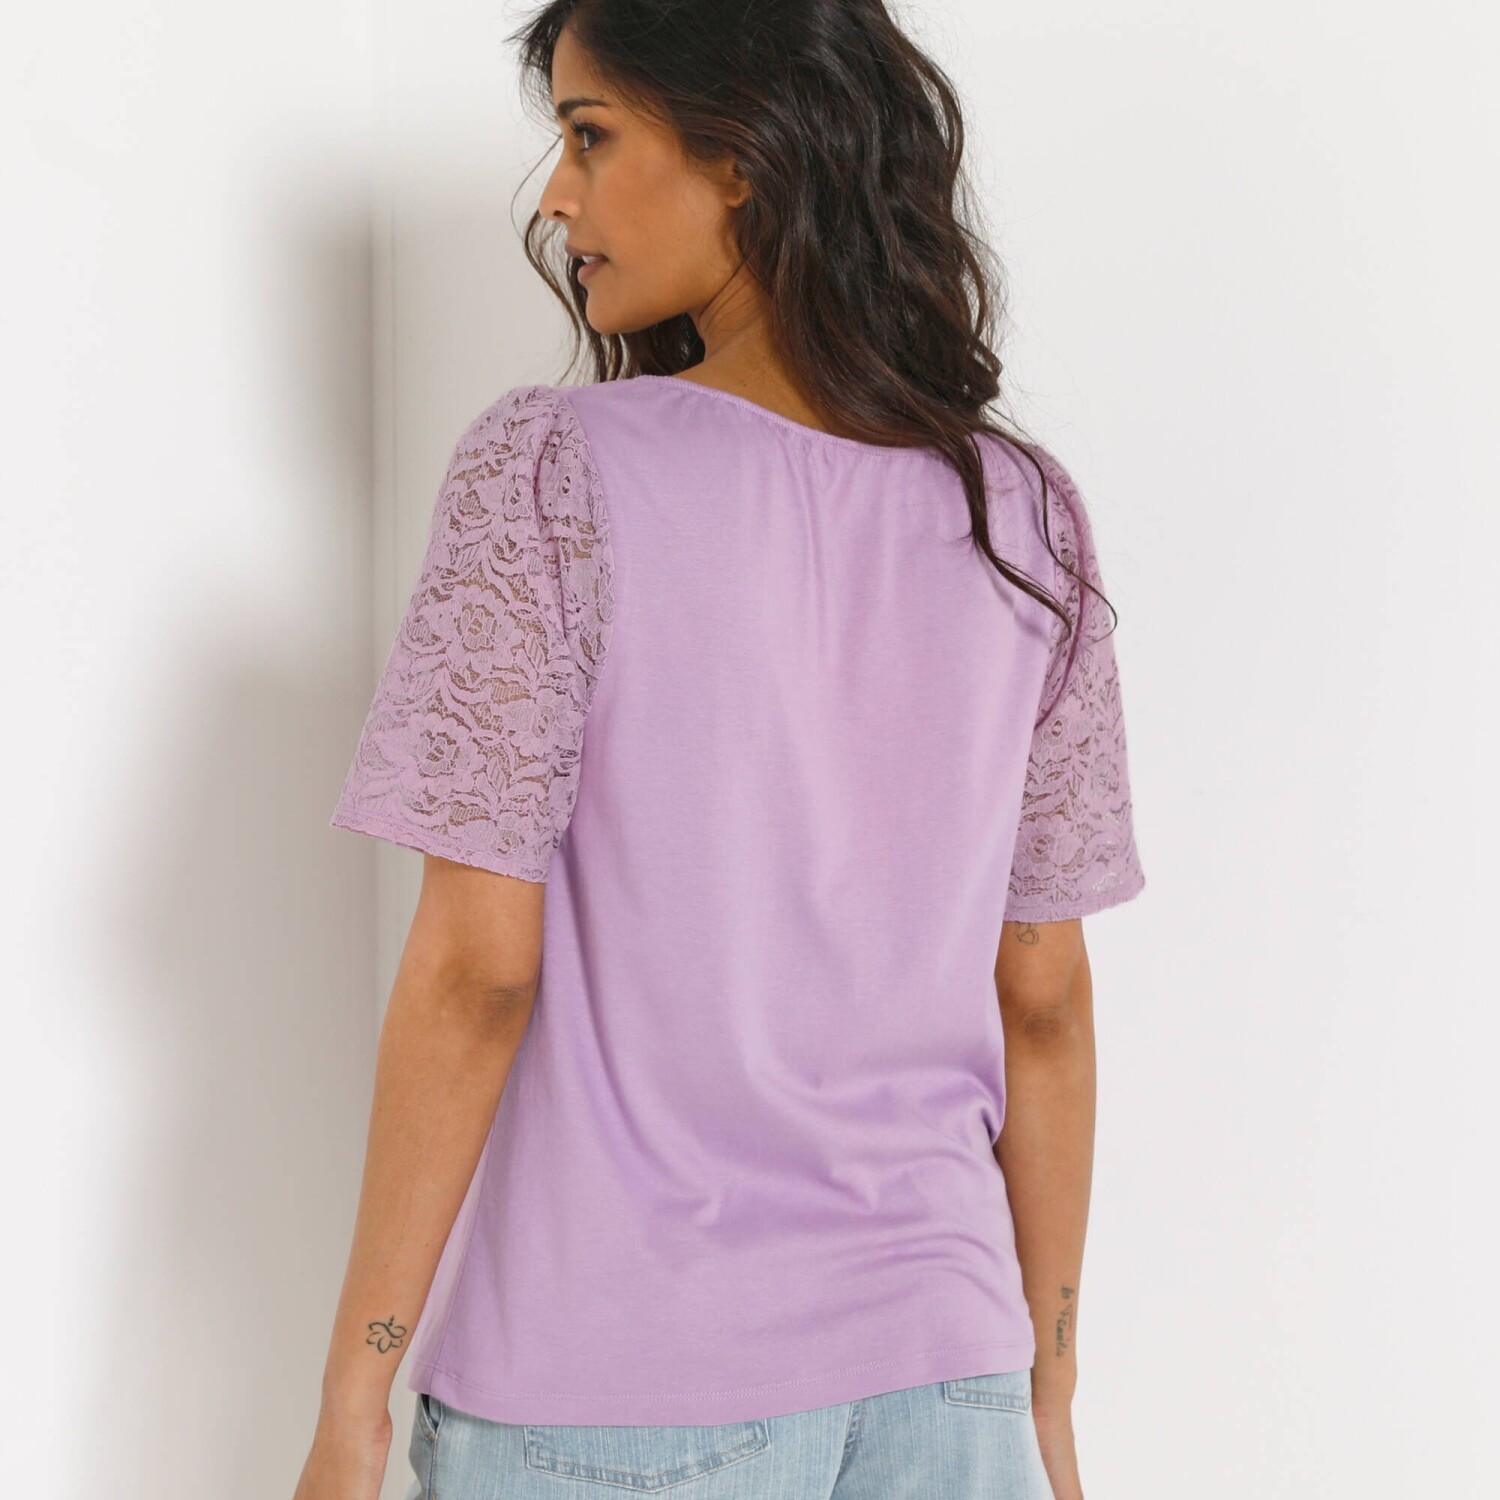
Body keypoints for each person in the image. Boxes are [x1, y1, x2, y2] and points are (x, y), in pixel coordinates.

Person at [293, 3, 1146, 1498]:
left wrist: (356, 1392)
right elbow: (1047, 996)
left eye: (589, 135)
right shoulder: (1024, 514)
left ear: (742, 152)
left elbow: (477, 969)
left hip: (617, 1384)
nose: (556, 200)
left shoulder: (551, 474)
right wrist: (1048, 1393)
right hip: (949, 1374)